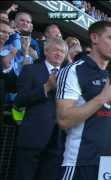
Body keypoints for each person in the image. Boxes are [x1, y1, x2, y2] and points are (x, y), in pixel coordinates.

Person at [56, 21, 111, 180]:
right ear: (94, 38)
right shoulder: (73, 70)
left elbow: (105, 120)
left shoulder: (108, 75)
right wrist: (102, 98)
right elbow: (64, 119)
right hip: (79, 163)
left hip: (106, 165)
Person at [14, 38, 67, 180]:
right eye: (55, 49)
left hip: (58, 140)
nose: (58, 54)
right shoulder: (31, 70)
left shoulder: (69, 76)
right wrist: (45, 88)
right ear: (46, 51)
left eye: (62, 51)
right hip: (32, 137)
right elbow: (19, 100)